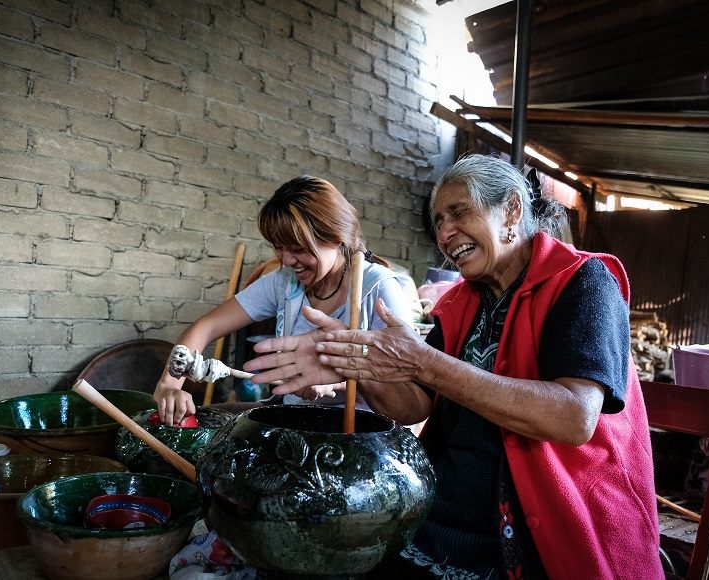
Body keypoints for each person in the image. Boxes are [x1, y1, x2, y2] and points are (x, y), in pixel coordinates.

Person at [245, 154, 664, 579]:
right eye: (439, 222)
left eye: (459, 213)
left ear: (512, 209)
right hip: (446, 516)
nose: (444, 234)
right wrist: (359, 362)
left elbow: (574, 417)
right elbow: (413, 408)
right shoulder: (459, 302)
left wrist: (426, 362)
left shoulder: (582, 281)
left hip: (549, 525)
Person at [153, 175, 416, 426]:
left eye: (299, 249)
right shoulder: (285, 282)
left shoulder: (377, 289)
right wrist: (169, 385)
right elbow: (207, 326)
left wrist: (338, 381)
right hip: (290, 416)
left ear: (336, 238)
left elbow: (409, 398)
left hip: (357, 431)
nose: (287, 260)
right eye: (279, 247)